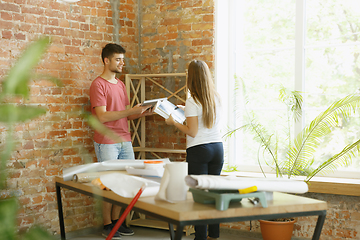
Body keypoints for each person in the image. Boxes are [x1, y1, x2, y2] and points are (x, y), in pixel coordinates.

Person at [89, 43, 152, 239]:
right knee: (108, 183)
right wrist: (130, 110)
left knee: (124, 182)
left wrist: (142, 113)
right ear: (106, 60)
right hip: (107, 141)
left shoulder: (121, 85)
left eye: (123, 59)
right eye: (118, 59)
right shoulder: (97, 85)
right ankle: (107, 225)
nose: (122, 63)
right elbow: (103, 117)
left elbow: (125, 116)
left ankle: (117, 222)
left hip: (125, 140)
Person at [165, 60, 224, 240]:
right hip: (217, 148)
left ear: (191, 77)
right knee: (213, 194)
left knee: (199, 197)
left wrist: (173, 122)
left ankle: (200, 237)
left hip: (199, 150)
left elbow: (192, 131)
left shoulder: (193, 100)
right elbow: (203, 119)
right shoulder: (215, 96)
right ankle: (214, 234)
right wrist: (186, 110)